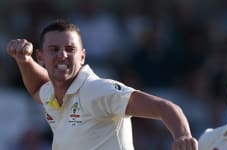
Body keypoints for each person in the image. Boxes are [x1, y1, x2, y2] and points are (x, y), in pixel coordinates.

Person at [6, 19, 198, 150]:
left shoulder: (98, 90)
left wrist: (182, 136)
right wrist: (24, 61)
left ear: (82, 57)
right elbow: (36, 89)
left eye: (70, 49)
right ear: (40, 57)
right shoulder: (49, 93)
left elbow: (163, 107)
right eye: (54, 49)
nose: (62, 54)